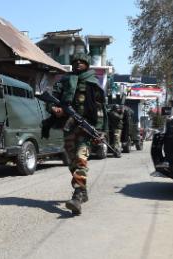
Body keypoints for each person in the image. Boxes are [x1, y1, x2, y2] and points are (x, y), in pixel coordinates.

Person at [48, 53, 107, 215]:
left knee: (81, 159)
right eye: (75, 61)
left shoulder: (93, 84)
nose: (78, 64)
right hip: (69, 126)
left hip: (86, 129)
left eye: (82, 62)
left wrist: (99, 131)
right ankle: (83, 190)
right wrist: (54, 108)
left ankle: (78, 195)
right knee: (70, 160)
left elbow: (100, 110)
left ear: (87, 64)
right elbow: (52, 98)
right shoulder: (65, 80)